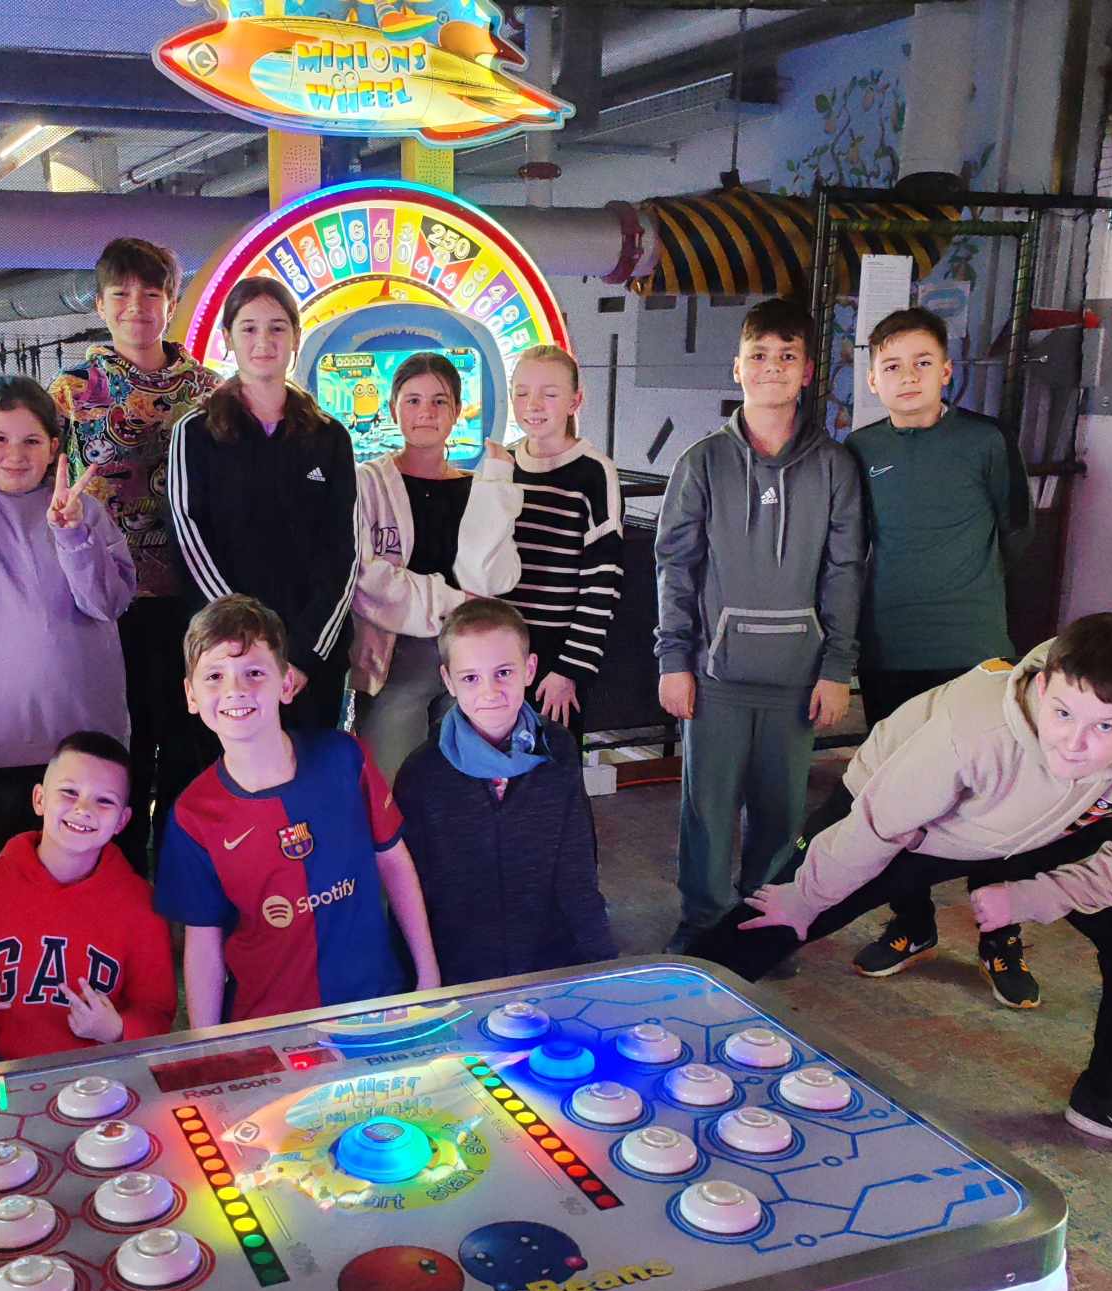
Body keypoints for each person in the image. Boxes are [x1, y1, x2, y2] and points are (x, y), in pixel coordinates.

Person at [697, 614, 1112, 1175]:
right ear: (1042, 687)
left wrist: (1030, 898)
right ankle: (655, 1020)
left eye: (1105, 727)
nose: (1076, 743)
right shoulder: (974, 728)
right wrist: (807, 898)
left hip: (1045, 828)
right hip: (908, 819)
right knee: (775, 916)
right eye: (1063, 714)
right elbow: (879, 825)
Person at [655, 298, 866, 953]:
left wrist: (837, 669)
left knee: (780, 814)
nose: (772, 367)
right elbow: (675, 567)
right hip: (715, 677)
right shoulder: (702, 463)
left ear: (808, 371)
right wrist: (673, 661)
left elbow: (844, 571)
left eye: (787, 355)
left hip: (797, 680)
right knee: (707, 811)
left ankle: (763, 929)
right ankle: (702, 926)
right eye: (759, 355)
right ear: (737, 367)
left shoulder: (835, 466)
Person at [847, 306, 1037, 1004]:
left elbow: (1017, 530)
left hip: (976, 652)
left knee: (994, 798)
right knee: (898, 795)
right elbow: (853, 543)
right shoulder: (860, 449)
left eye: (922, 363)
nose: (909, 377)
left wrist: (967, 595)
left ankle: (1000, 938)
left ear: (947, 371)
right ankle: (912, 924)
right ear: (872, 379)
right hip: (890, 649)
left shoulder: (985, 441)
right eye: (892, 366)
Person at [155, 595, 439, 1027]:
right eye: (214, 676)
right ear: (191, 695)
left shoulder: (346, 760)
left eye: (254, 672)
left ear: (287, 683)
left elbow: (395, 863)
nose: (235, 690)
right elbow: (203, 941)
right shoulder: (194, 816)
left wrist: (428, 974)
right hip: (267, 1027)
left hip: (375, 1005)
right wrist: (207, 1042)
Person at [49, 238, 219, 874]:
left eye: (152, 293)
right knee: (117, 746)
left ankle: (180, 881)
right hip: (102, 600)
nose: (136, 306)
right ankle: (115, 880)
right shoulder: (71, 392)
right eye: (120, 293)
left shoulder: (210, 391)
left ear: (171, 303)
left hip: (192, 596)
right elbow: (43, 489)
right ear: (99, 304)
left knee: (188, 742)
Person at [0, 375, 137, 856]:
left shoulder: (83, 508)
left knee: (98, 869)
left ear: (54, 447)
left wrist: (72, 534)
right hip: (6, 730)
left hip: (88, 727)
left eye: (31, 441)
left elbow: (107, 603)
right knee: (15, 867)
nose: (14, 455)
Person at [0, 732, 175, 1063]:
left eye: (104, 801)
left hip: (100, 1069)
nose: (83, 809)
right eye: (69, 792)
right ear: (39, 799)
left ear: (122, 820)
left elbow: (157, 1011)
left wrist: (118, 1029)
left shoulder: (141, 903)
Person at [170, 276, 360, 733]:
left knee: (312, 768)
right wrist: (247, 650)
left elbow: (344, 553)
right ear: (228, 338)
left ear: (295, 337)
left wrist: (302, 656)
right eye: (249, 328)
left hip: (311, 659)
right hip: (229, 660)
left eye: (277, 328)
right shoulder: (195, 433)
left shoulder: (329, 436)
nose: (263, 341)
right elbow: (190, 542)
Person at [396, 598, 616, 984]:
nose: (490, 692)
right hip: (460, 973)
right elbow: (411, 894)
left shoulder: (559, 750)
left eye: (503, 673)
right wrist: (419, 979)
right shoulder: (422, 773)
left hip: (550, 965)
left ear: (529, 669)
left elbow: (578, 870)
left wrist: (603, 965)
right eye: (470, 678)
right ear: (448, 680)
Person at [350, 352, 523, 781]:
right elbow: (366, 578)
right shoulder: (367, 482)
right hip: (394, 662)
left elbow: (498, 576)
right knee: (392, 783)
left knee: (465, 784)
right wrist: (455, 601)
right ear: (393, 410)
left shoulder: (479, 488)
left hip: (471, 657)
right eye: (412, 400)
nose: (425, 412)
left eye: (439, 401)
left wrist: (500, 484)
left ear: (457, 411)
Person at [499, 344, 624, 733]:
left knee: (551, 756)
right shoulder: (502, 465)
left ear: (575, 401)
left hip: (558, 652)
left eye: (549, 394)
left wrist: (569, 669)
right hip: (502, 645)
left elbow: (603, 580)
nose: (533, 404)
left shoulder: (595, 472)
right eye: (522, 392)